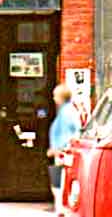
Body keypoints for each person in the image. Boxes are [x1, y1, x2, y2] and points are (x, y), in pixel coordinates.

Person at [47, 84, 81, 217]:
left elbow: (67, 133)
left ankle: (61, 208)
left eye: (56, 96)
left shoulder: (66, 112)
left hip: (63, 152)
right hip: (63, 151)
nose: (54, 98)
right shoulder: (67, 110)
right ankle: (60, 207)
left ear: (61, 97)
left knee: (59, 180)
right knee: (59, 179)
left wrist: (57, 148)